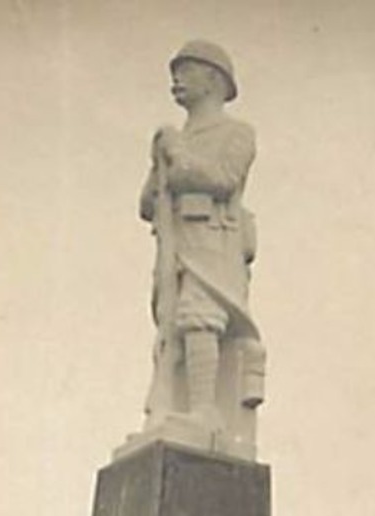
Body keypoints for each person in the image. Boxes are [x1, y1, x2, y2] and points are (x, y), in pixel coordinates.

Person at [139, 41, 265, 447]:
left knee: (200, 319)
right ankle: (168, 408)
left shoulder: (236, 134)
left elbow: (223, 178)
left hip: (213, 243)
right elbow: (146, 205)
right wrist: (157, 163)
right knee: (172, 329)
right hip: (175, 249)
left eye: (186, 70)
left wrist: (176, 153)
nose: (176, 79)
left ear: (213, 78)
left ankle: (204, 410)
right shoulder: (176, 138)